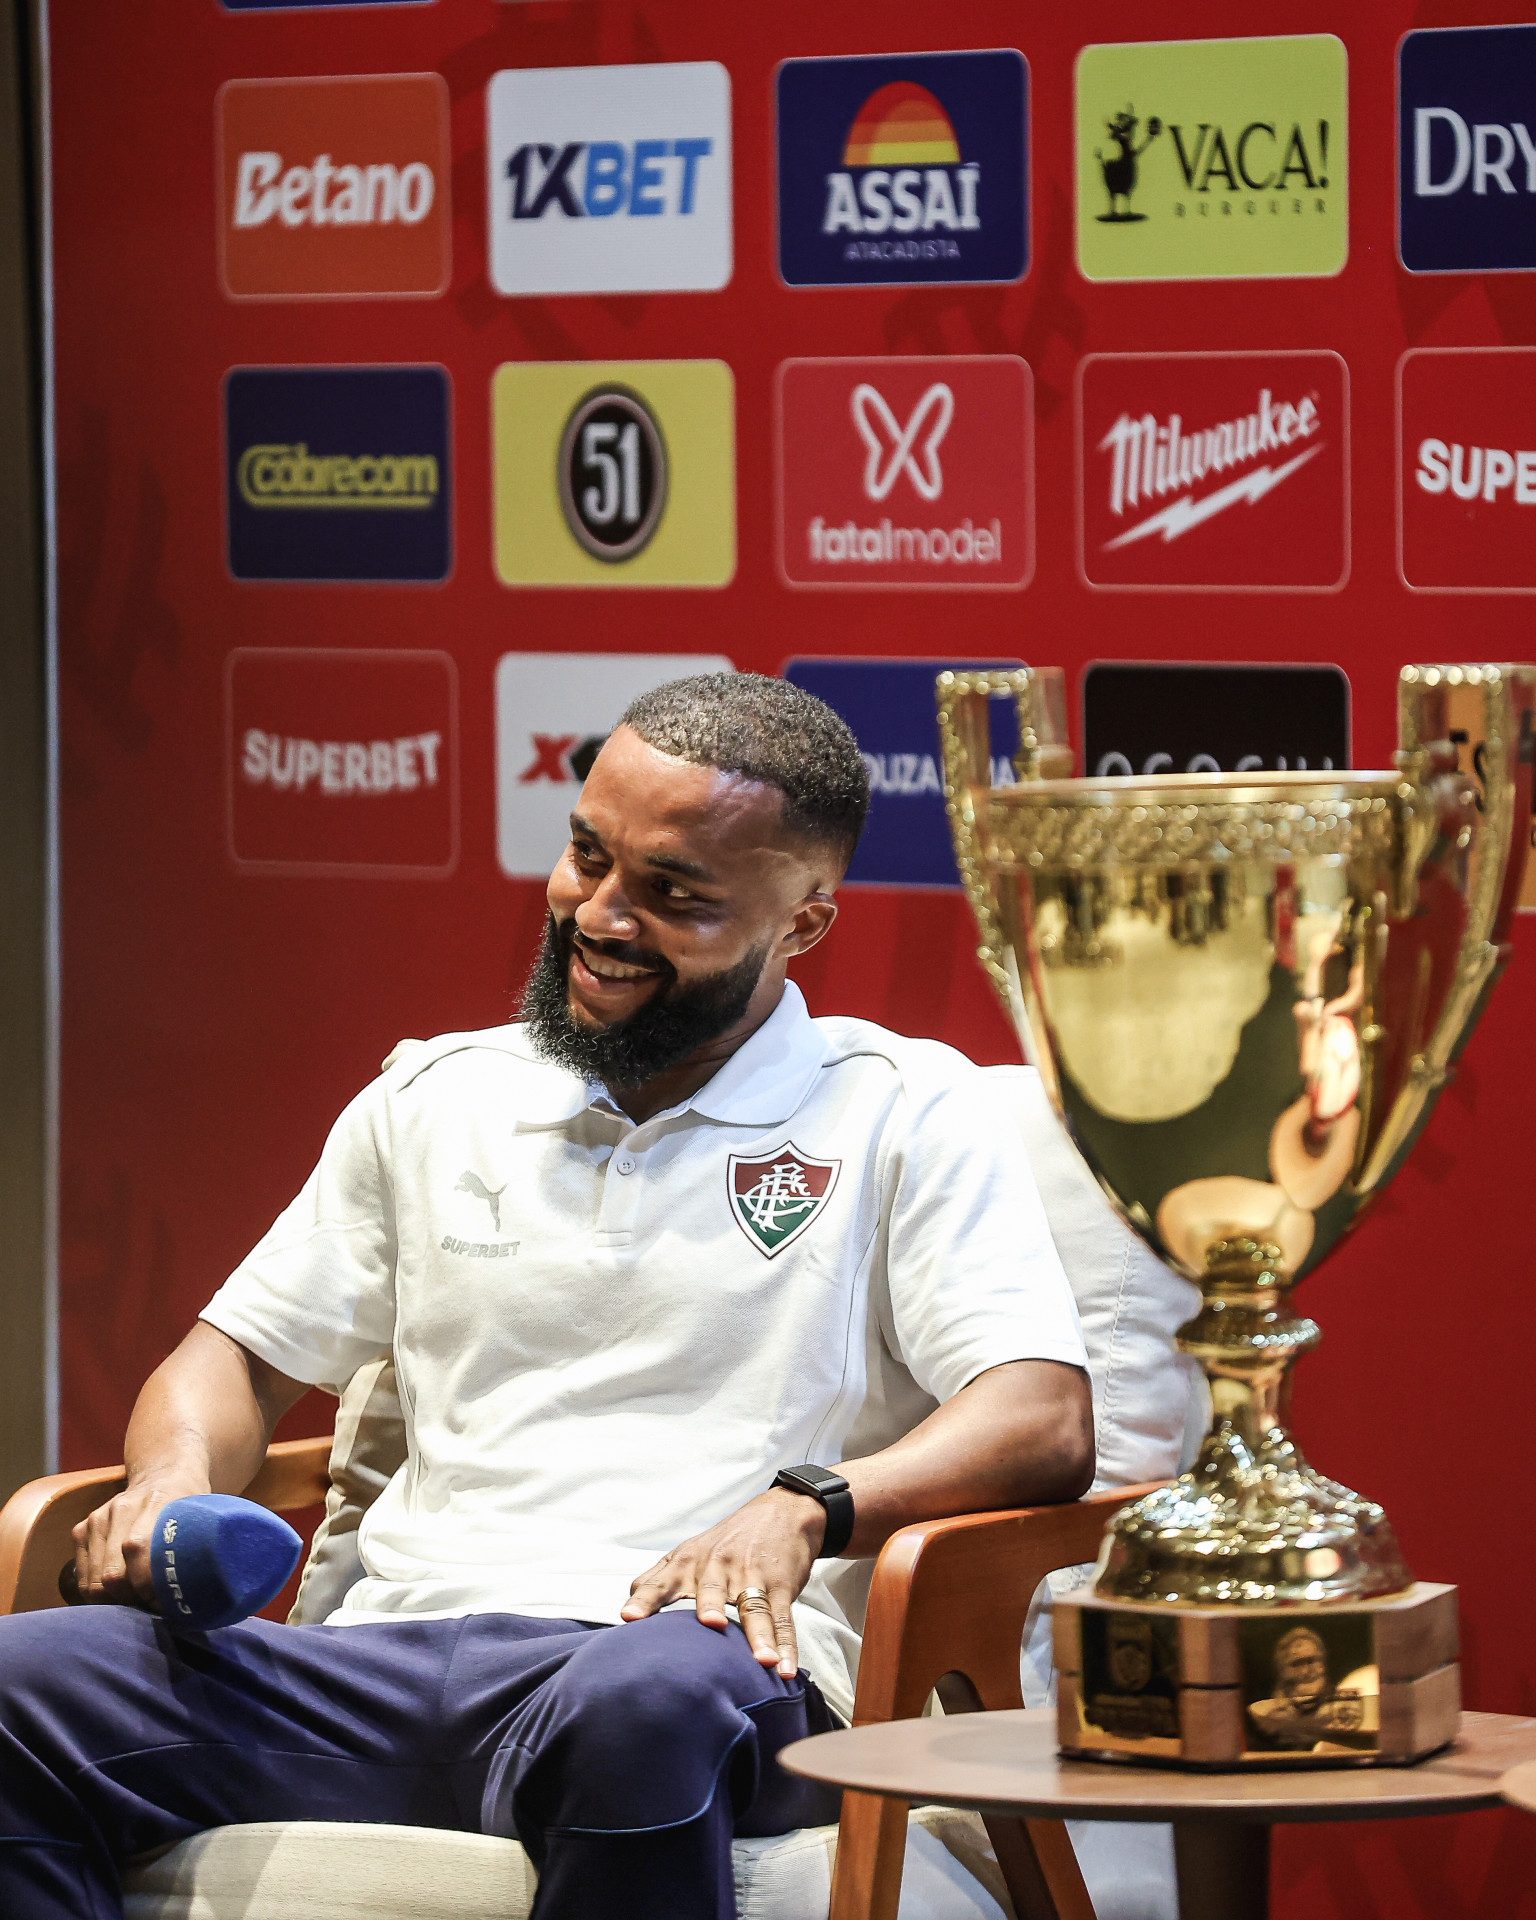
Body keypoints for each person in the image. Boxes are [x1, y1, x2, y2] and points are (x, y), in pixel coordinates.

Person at [0, 673, 1093, 1920]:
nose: (601, 915)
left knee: (645, 1707)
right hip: (377, 1662)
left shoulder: (905, 1109)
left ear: (801, 924)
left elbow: (1041, 1415)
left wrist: (806, 1505)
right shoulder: (437, 1096)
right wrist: (168, 1478)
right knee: (22, 1687)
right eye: (588, 855)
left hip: (690, 1662)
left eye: (674, 894)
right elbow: (235, 1361)